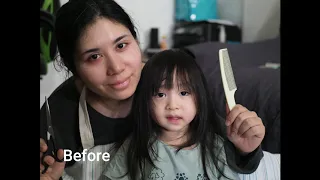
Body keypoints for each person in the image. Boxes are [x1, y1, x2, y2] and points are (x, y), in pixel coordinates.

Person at [40, 0, 264, 180]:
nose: (117, 68)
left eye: (121, 45)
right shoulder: (58, 115)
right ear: (73, 68)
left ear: (136, 41)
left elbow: (226, 154)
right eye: (94, 57)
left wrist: (246, 150)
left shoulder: (169, 81)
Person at [103, 49, 265, 180]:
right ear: (144, 100)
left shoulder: (216, 144)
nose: (173, 106)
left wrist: (246, 151)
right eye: (160, 95)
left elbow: (245, 163)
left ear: (200, 97)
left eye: (184, 92)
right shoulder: (135, 147)